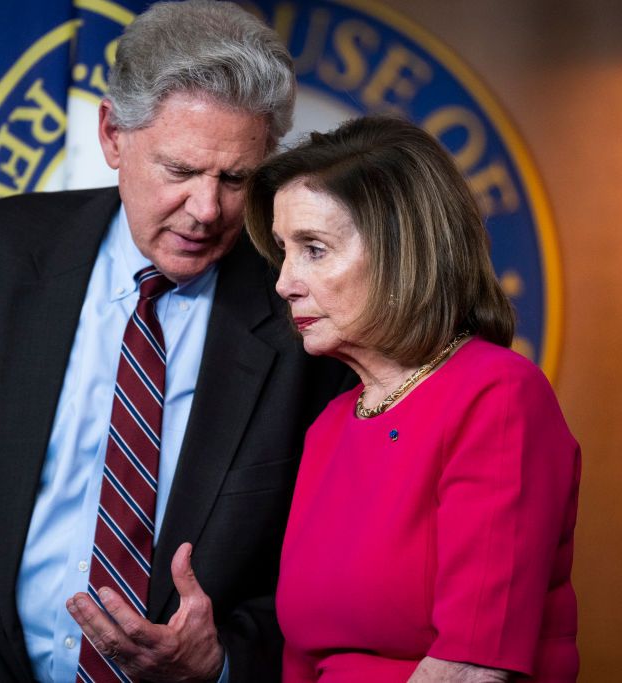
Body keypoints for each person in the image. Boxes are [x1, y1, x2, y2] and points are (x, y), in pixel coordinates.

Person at [0, 2, 351, 682]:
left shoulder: (303, 311)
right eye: (179, 171)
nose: (207, 210)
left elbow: (332, 570)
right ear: (113, 135)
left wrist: (222, 661)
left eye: (236, 179)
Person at [244, 116, 581, 682]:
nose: (284, 283)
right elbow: (301, 660)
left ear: (402, 251)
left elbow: (471, 669)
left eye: (315, 250)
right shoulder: (329, 424)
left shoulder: (497, 396)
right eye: (284, 251)